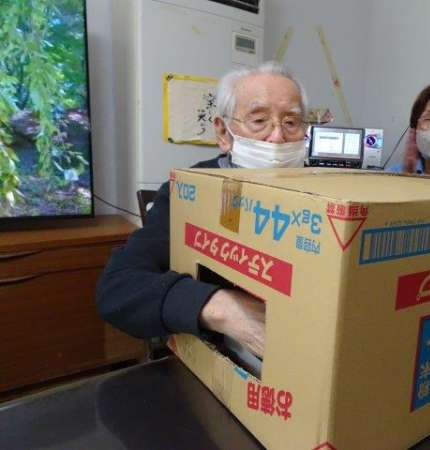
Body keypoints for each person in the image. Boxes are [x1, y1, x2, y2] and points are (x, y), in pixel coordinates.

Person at [96, 62, 309, 358]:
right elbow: (117, 289)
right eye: (259, 120)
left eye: (291, 122)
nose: (277, 137)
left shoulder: (324, 193)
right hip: (221, 362)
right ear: (223, 132)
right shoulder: (190, 192)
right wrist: (221, 307)